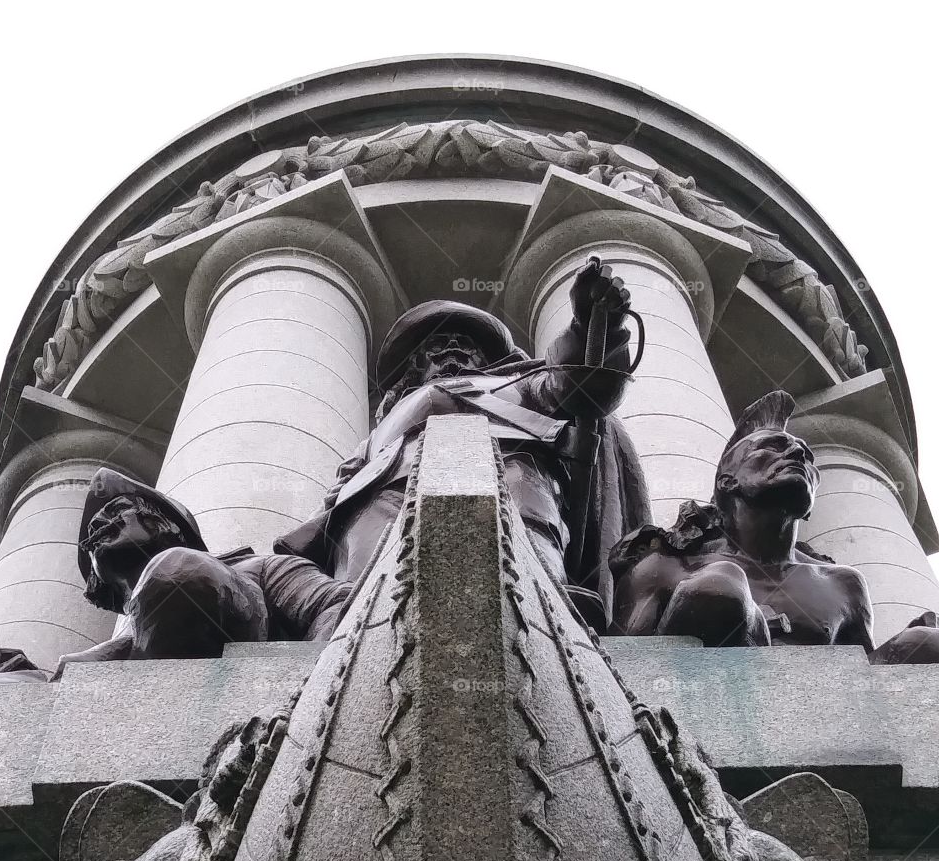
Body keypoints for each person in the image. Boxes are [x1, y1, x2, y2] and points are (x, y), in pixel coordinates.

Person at [275, 256, 652, 627]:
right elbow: (343, 484)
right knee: (369, 601)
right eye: (437, 345)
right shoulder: (384, 426)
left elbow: (575, 384)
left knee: (529, 577)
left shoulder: (520, 384)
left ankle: (548, 624)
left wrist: (592, 325)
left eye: (468, 344)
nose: (453, 347)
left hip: (510, 471)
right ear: (415, 365)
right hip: (384, 494)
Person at [609, 390, 939, 663]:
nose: (797, 451)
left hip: (816, 717)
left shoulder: (844, 584)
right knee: (720, 586)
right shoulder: (664, 564)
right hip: (686, 716)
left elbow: (864, 674)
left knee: (924, 642)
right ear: (727, 481)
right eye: (772, 448)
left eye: (808, 456)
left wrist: (912, 646)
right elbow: (622, 661)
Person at [53, 468, 351, 673]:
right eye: (94, 529)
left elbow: (335, 604)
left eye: (116, 511)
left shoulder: (261, 568)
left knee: (176, 572)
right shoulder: (119, 642)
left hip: (265, 691)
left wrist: (310, 680)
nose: (99, 525)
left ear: (164, 524)